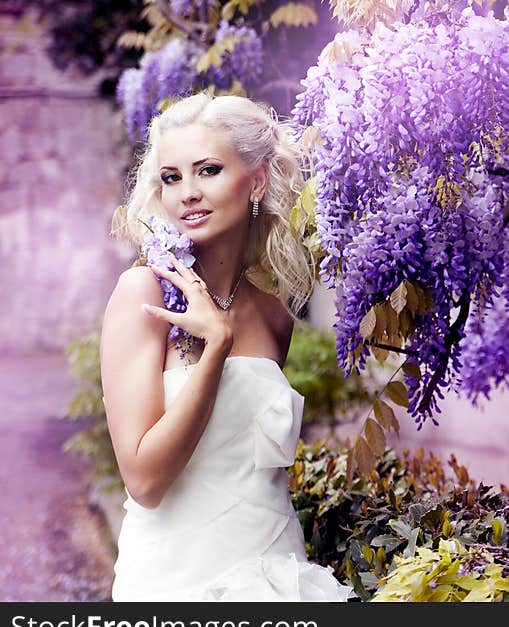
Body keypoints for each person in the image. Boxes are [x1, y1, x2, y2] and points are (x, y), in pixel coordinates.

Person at [100, 92, 354, 601]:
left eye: (208, 170)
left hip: (278, 573)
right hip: (175, 583)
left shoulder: (273, 315)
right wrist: (215, 346)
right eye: (171, 178)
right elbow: (145, 482)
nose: (187, 192)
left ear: (256, 180)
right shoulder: (143, 296)